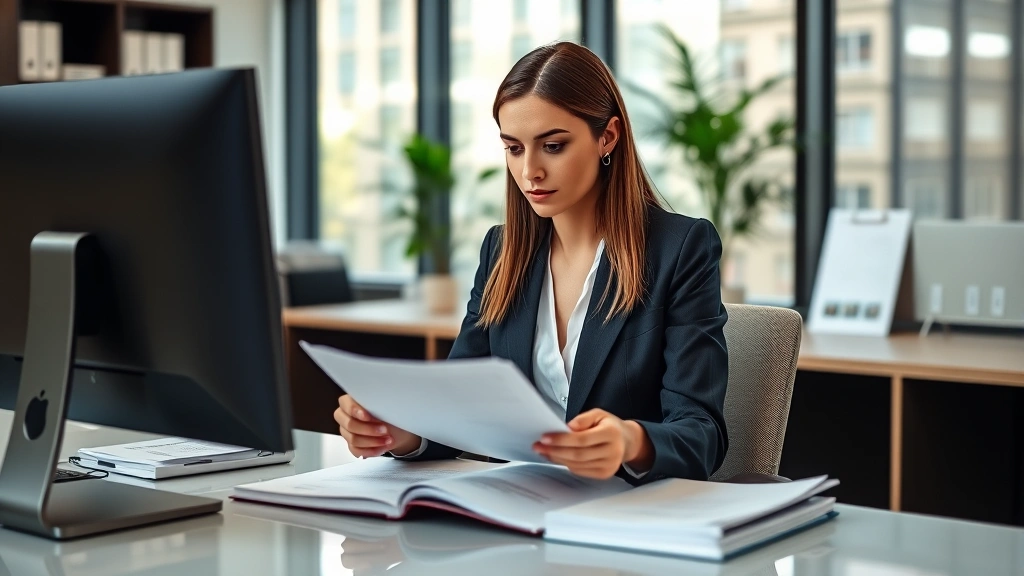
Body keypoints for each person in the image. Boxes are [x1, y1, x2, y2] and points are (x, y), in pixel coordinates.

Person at [333, 42, 728, 486]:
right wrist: (399, 432)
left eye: (553, 146)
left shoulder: (680, 248)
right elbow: (460, 406)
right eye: (513, 148)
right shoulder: (501, 254)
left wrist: (631, 441)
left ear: (608, 137)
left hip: (629, 522)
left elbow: (702, 436)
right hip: (520, 516)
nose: (530, 172)